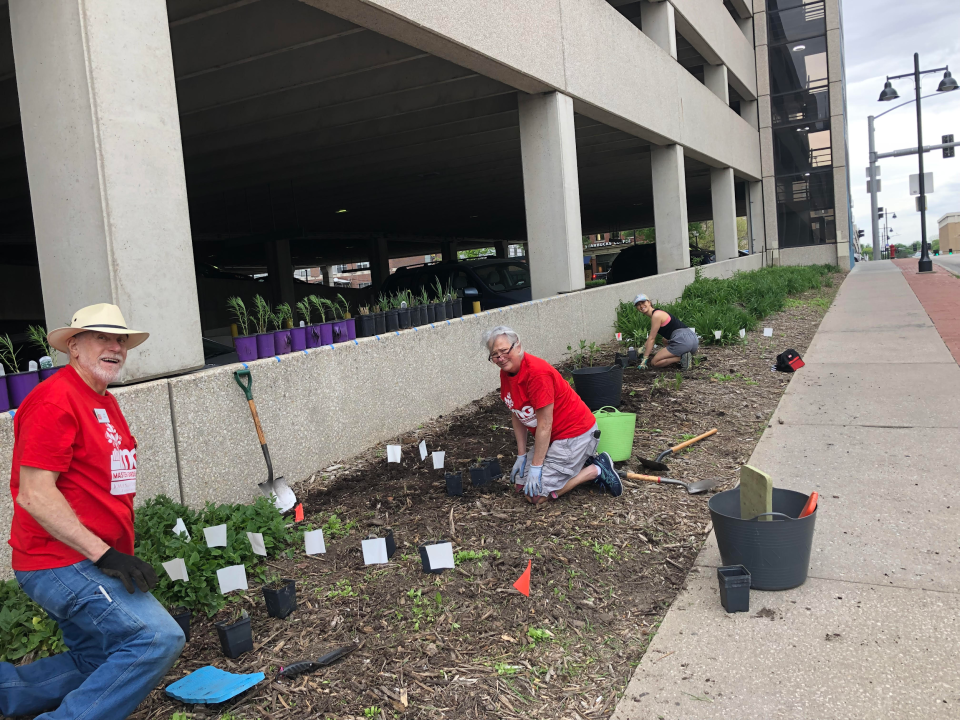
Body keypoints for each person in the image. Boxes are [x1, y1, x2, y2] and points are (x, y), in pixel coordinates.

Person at [0, 304, 185, 719]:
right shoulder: (54, 401)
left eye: (121, 339)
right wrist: (105, 555)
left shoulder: (102, 399)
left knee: (95, 662)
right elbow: (34, 494)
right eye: (102, 337)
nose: (115, 346)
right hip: (62, 561)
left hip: (85, 558)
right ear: (74, 346)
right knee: (156, 639)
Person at [483, 325, 622, 504]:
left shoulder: (536, 374)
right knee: (520, 485)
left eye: (504, 350)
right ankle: (579, 463)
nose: (500, 358)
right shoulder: (507, 373)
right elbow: (516, 413)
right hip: (553, 438)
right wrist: (521, 455)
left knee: (535, 496)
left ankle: (595, 469)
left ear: (517, 346)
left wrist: (537, 466)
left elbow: (544, 425)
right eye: (495, 354)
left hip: (574, 435)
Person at [633, 293, 698, 370]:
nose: (641, 306)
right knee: (664, 339)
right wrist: (644, 348)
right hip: (693, 340)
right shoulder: (658, 313)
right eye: (638, 304)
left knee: (654, 362)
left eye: (643, 302)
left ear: (649, 302)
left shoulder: (656, 316)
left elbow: (651, 338)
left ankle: (681, 358)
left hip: (683, 341)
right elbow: (653, 338)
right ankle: (685, 355)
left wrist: (645, 359)